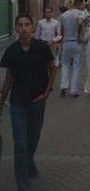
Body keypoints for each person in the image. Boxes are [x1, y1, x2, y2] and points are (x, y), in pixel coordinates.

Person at [0, 14, 56, 191]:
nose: (23, 28)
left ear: (32, 28)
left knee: (33, 138)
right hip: (17, 103)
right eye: (20, 25)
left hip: (37, 101)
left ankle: (29, 160)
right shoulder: (11, 51)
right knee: (20, 144)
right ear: (16, 29)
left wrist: (46, 93)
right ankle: (23, 186)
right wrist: (1, 102)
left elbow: (52, 69)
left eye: (27, 25)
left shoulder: (41, 48)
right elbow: (9, 79)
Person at [60, 0, 84, 98]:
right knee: (76, 67)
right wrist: (79, 35)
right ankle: (74, 90)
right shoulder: (80, 13)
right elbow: (80, 23)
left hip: (66, 42)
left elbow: (61, 29)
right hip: (76, 42)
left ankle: (63, 87)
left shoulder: (64, 15)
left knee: (65, 65)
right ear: (79, 4)